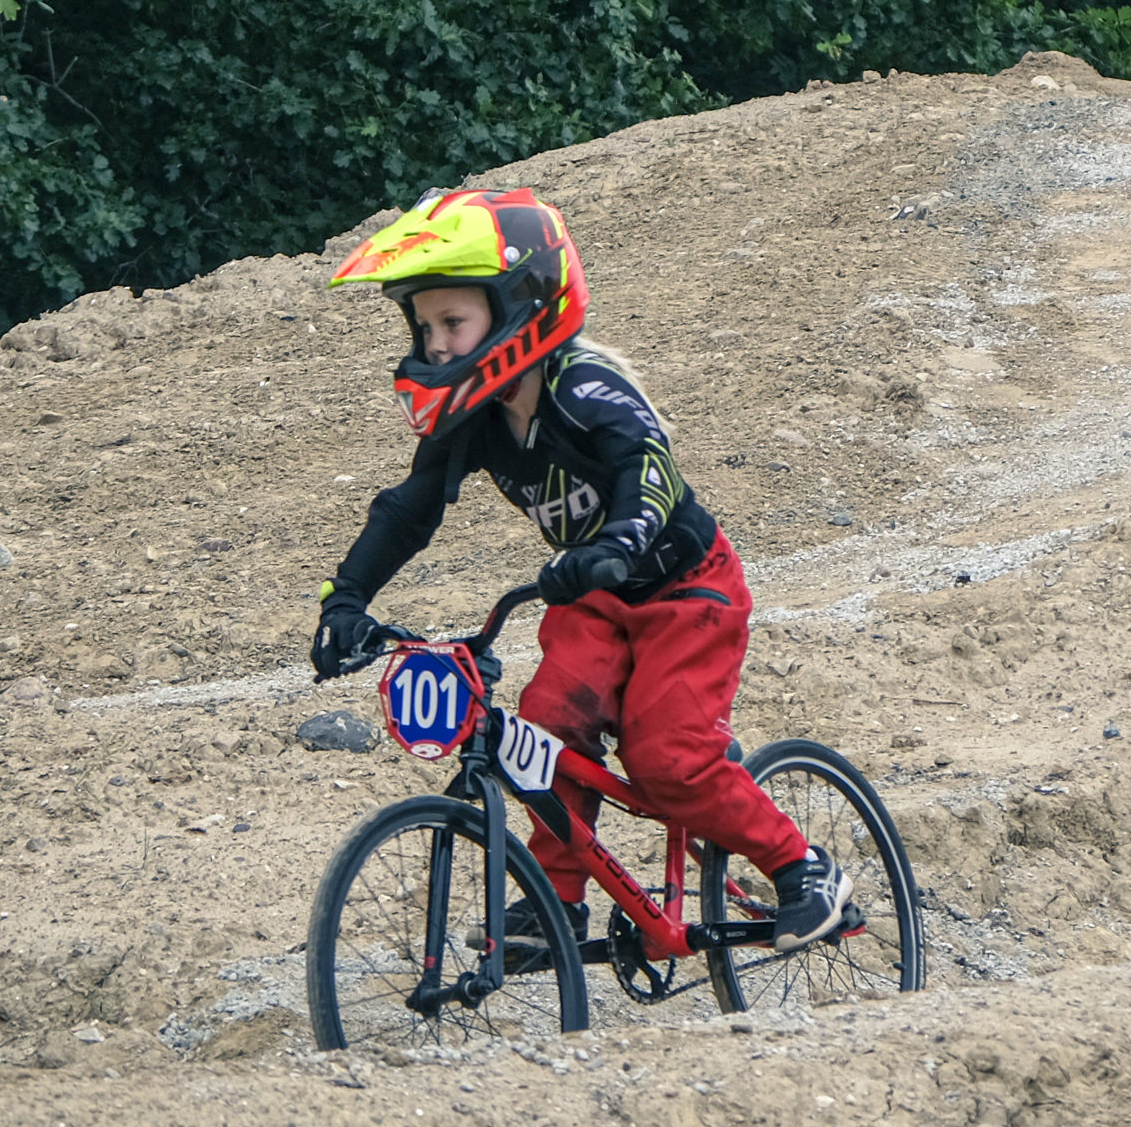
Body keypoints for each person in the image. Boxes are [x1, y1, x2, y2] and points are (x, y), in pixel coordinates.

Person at [309, 185, 852, 954]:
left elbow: (649, 472)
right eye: (424, 325)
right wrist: (347, 598)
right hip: (593, 595)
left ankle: (804, 870)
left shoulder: (587, 386)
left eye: (452, 322)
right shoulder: (474, 418)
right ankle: (556, 905)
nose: (433, 345)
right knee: (547, 730)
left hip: (684, 590)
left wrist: (620, 544)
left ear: (523, 307)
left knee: (669, 760)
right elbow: (408, 510)